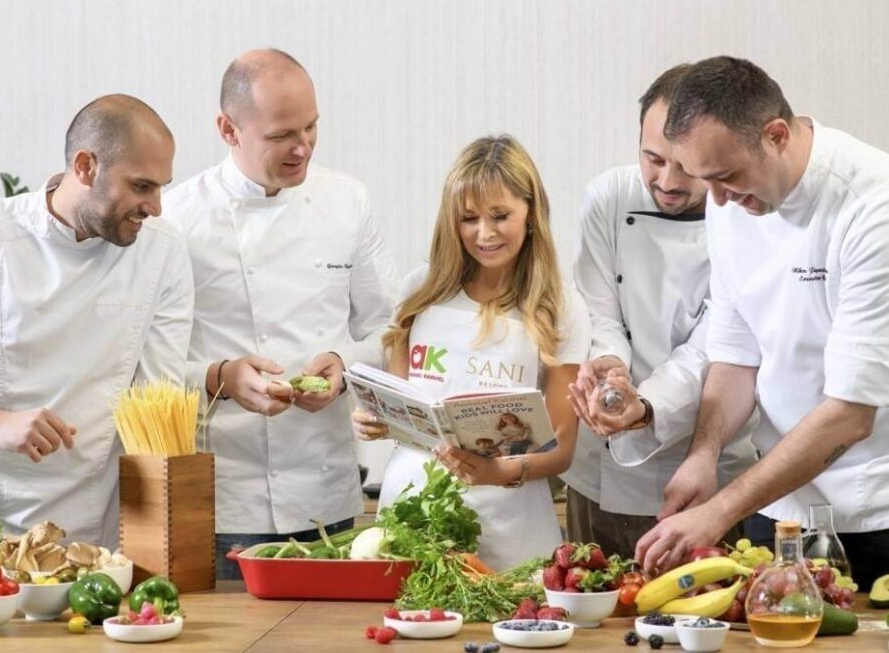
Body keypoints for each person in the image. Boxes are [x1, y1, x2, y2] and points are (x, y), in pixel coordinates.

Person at [0, 95, 193, 547]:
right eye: (142, 186)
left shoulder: (163, 251)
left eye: (161, 187)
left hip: (89, 531)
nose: (156, 206)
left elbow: (158, 391)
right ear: (85, 166)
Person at [634, 56, 889, 590]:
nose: (718, 199)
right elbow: (735, 353)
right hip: (776, 506)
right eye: (707, 181)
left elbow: (851, 414)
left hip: (875, 512)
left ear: (775, 135)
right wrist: (704, 455)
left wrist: (719, 511)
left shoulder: (872, 206)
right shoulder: (728, 200)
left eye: (727, 177)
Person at [164, 49, 398, 579]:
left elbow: (389, 329)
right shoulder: (177, 219)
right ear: (228, 129)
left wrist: (345, 365)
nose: (303, 147)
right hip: (224, 500)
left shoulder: (348, 201)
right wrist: (220, 377)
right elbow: (145, 364)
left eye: (311, 127)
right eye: (281, 135)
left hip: (327, 495)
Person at [353, 135, 590, 571]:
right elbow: (400, 406)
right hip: (413, 511)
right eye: (468, 218)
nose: (484, 233)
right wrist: (376, 419)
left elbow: (562, 448)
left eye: (500, 216)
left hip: (510, 520)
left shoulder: (560, 305)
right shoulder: (420, 291)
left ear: (531, 213)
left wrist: (499, 473)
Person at [563, 65, 756, 559]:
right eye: (653, 159)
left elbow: (714, 348)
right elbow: (599, 311)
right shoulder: (608, 196)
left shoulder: (745, 214)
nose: (667, 181)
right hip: (600, 471)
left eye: (686, 166)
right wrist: (610, 368)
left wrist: (645, 406)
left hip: (706, 470)